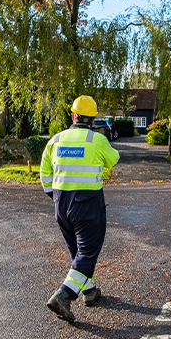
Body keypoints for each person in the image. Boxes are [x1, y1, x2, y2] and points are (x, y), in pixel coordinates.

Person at [41, 95, 120, 322]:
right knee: (87, 251)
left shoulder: (54, 140)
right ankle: (63, 295)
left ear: (73, 116)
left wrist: (53, 195)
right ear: (93, 119)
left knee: (77, 251)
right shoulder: (95, 140)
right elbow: (113, 160)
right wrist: (103, 142)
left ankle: (89, 291)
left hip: (61, 203)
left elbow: (45, 173)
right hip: (87, 204)